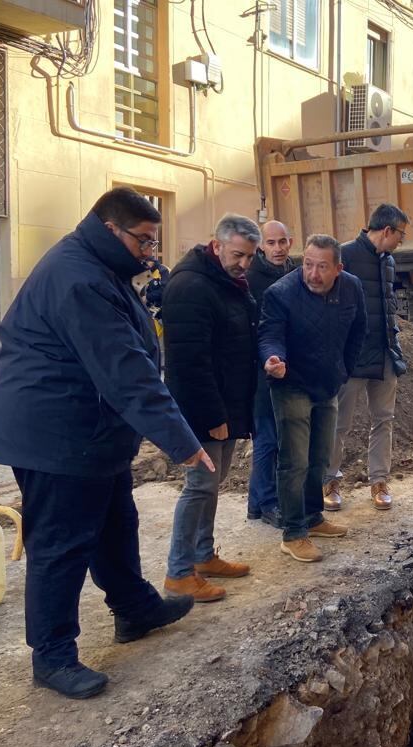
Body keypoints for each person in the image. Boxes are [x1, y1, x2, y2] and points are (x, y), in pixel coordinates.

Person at [0, 187, 212, 700]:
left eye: (155, 242)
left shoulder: (101, 267)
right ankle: (53, 655)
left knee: (114, 521)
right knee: (61, 544)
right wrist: (183, 443)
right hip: (54, 435)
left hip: (90, 432)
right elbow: (125, 370)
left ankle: (134, 608)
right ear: (111, 229)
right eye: (144, 241)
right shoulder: (78, 277)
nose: (151, 252)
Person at [161, 214, 260, 602]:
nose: (245, 263)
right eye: (238, 254)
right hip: (204, 409)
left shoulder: (227, 282)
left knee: (213, 485)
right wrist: (213, 417)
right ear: (216, 245)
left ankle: (203, 555)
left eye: (250, 256)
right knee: (199, 486)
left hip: (227, 404)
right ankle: (179, 573)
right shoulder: (191, 287)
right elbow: (190, 362)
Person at [258, 234, 367, 563]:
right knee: (295, 461)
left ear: (338, 268)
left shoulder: (351, 288)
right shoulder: (280, 293)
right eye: (307, 264)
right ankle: (293, 533)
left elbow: (358, 330)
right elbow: (269, 334)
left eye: (322, 266)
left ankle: (313, 517)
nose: (313, 274)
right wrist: (273, 359)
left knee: (320, 457)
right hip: (291, 384)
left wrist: (343, 371)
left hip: (327, 385)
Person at [323, 204, 409, 513]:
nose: (402, 240)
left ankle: (379, 482)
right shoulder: (343, 256)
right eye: (401, 234)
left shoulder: (389, 262)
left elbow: (387, 307)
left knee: (384, 419)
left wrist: (394, 343)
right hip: (351, 357)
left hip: (384, 353)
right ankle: (330, 481)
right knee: (338, 424)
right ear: (387, 231)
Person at [246, 220, 296, 527]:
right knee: (267, 438)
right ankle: (267, 503)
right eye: (271, 243)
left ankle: (256, 503)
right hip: (260, 369)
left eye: (282, 242)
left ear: (291, 242)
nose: (277, 249)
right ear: (261, 245)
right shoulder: (251, 278)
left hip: (289, 368)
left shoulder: (297, 272)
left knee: (279, 437)